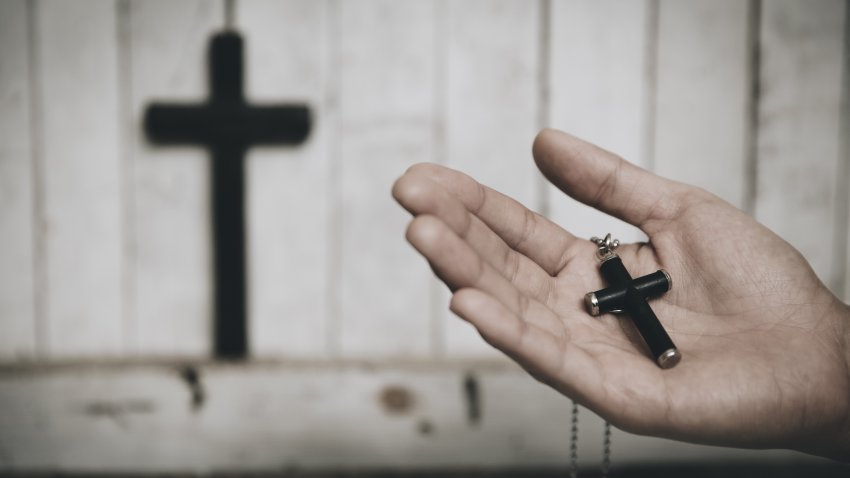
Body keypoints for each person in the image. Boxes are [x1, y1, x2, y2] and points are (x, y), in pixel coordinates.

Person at [392, 128, 850, 462]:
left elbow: (647, 287)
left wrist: (833, 356)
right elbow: (645, 287)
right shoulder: (629, 283)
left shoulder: (632, 284)